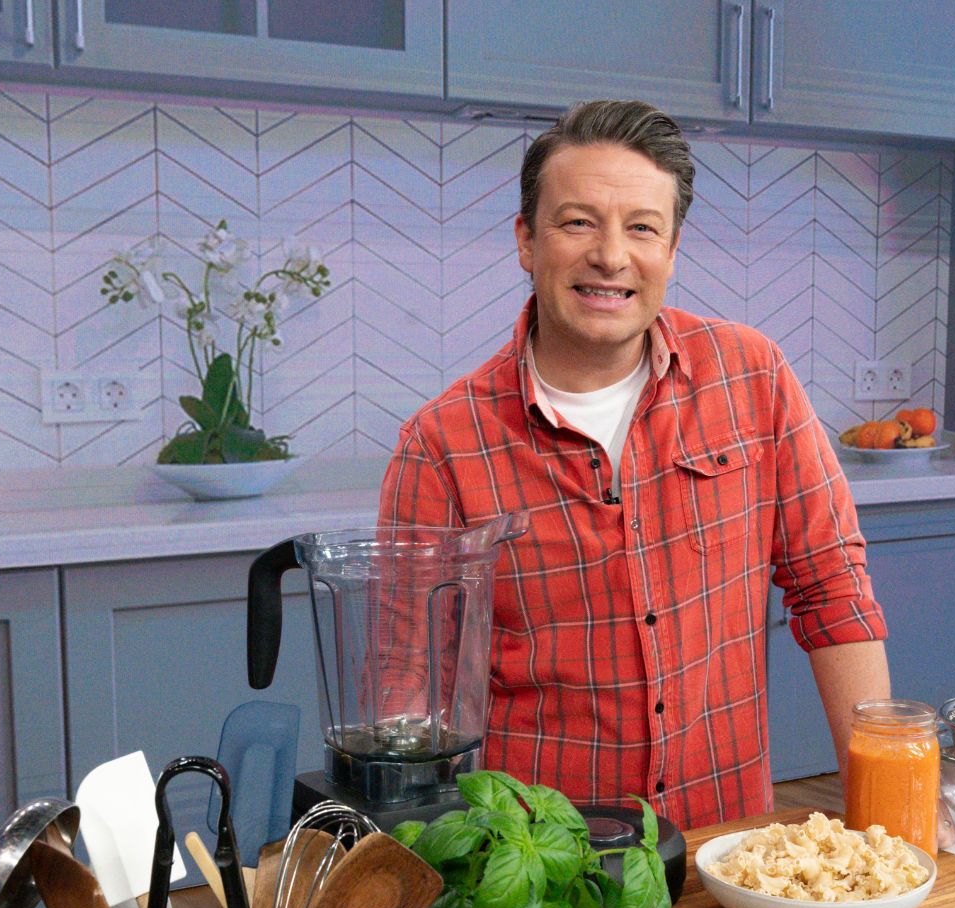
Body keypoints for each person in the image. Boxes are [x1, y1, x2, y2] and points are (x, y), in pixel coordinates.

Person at [379, 99, 889, 828]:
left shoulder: (754, 376)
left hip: (727, 846)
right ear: (527, 241)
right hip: (542, 870)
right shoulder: (442, 444)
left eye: (642, 228)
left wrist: (877, 796)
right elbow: (409, 682)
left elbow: (831, 584)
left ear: (672, 249)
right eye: (577, 222)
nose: (611, 256)